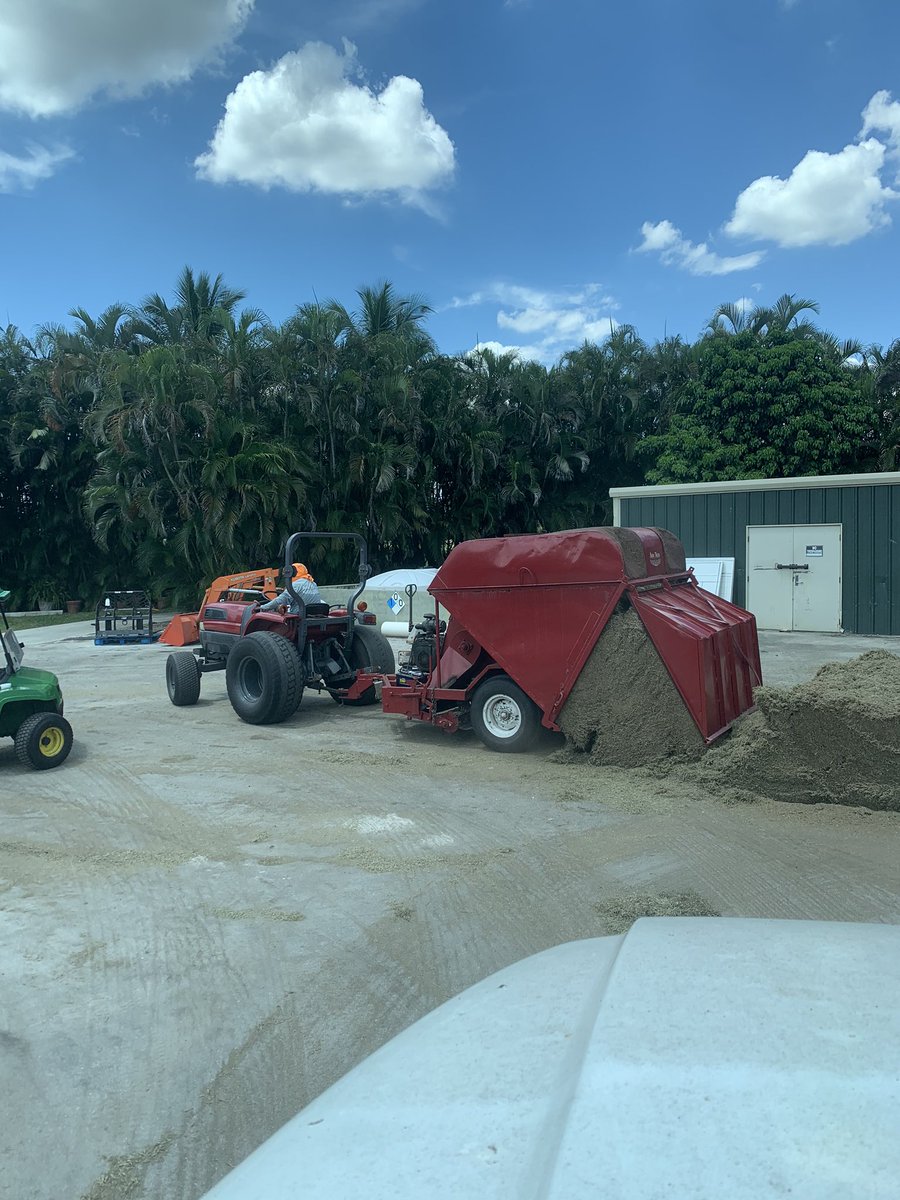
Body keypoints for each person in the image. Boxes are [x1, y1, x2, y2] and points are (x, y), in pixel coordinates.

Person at [258, 563, 322, 612]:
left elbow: (281, 600)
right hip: (314, 615)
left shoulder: (295, 585)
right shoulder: (313, 583)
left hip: (299, 617)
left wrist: (263, 607)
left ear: (293, 573)